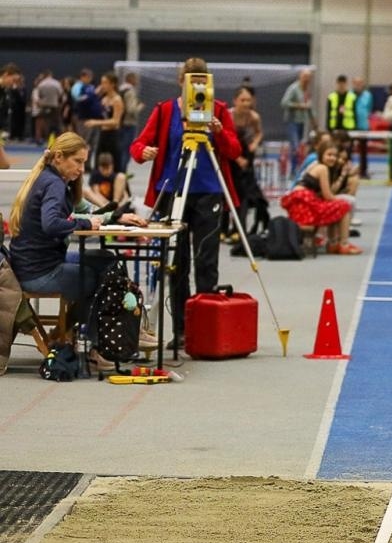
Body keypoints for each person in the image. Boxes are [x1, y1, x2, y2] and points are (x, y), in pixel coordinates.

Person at [130, 57, 243, 353]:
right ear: (180, 81)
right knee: (177, 263)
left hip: (208, 192)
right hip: (173, 193)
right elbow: (137, 148)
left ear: (206, 82)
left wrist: (219, 131)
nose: (194, 86)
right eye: (189, 81)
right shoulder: (165, 110)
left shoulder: (217, 110)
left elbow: (234, 151)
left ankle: (206, 328)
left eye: (200, 81)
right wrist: (146, 151)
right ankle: (181, 330)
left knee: (206, 262)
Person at [6, 132, 147, 368]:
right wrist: (83, 224)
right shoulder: (54, 185)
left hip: (36, 264)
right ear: (59, 157)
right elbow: (51, 224)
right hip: (38, 273)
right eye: (78, 161)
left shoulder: (49, 178)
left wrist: (118, 217)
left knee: (106, 260)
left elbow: (78, 214)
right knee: (95, 278)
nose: (82, 168)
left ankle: (111, 328)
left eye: (84, 162)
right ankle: (93, 344)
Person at [281, 147, 359, 254]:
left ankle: (333, 244)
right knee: (344, 206)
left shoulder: (317, 166)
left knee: (336, 207)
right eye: (329, 155)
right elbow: (328, 196)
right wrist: (342, 199)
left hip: (303, 205)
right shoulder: (322, 168)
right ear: (322, 155)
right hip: (305, 208)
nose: (332, 158)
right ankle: (343, 244)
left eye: (334, 156)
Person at [229, 86, 272, 235]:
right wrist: (237, 158)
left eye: (249, 100)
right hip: (230, 157)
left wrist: (255, 143)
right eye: (243, 100)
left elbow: (259, 133)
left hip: (247, 157)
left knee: (245, 194)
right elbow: (224, 141)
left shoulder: (254, 117)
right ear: (235, 101)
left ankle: (239, 227)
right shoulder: (228, 116)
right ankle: (224, 227)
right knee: (228, 193)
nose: (246, 103)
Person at [280, 68, 314, 168]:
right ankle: (293, 169)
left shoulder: (307, 90)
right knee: (295, 146)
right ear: (300, 76)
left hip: (302, 121)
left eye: (308, 77)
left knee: (300, 146)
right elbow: (284, 103)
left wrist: (313, 121)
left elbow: (309, 107)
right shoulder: (293, 88)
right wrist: (300, 106)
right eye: (305, 76)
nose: (306, 79)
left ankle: (298, 167)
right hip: (292, 121)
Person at [352, 76, 373, 178]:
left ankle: (363, 171)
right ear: (353, 84)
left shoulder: (368, 95)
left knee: (363, 150)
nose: (358, 85)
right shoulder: (349, 94)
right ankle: (348, 171)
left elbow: (369, 108)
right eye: (356, 83)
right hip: (350, 125)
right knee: (348, 150)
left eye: (360, 83)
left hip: (363, 125)